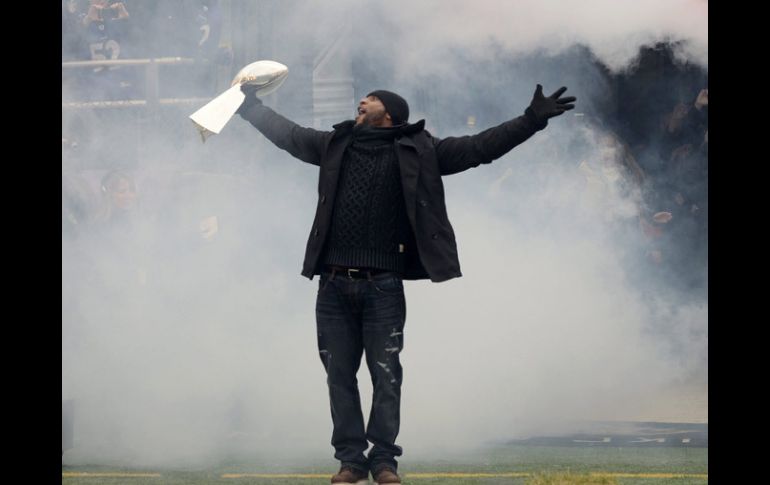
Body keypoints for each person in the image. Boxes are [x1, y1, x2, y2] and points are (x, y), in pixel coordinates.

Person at [236, 84, 575, 485]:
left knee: (386, 375)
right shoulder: (335, 144)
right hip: (332, 285)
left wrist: (531, 120)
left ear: (392, 113)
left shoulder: (420, 149)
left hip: (383, 286)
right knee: (339, 375)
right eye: (362, 98)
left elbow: (479, 148)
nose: (361, 102)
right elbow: (289, 136)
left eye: (371, 98)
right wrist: (250, 107)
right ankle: (349, 460)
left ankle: (383, 461)